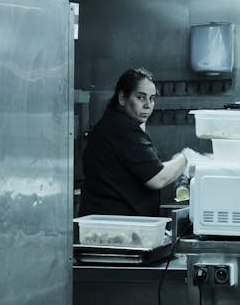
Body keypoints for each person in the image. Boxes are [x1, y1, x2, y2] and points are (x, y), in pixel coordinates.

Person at [79, 68, 188, 217]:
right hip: (112, 227)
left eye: (152, 98)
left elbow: (151, 170)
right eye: (140, 97)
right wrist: (186, 157)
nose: (148, 105)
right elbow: (158, 178)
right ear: (122, 98)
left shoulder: (116, 124)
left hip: (114, 224)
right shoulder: (121, 128)